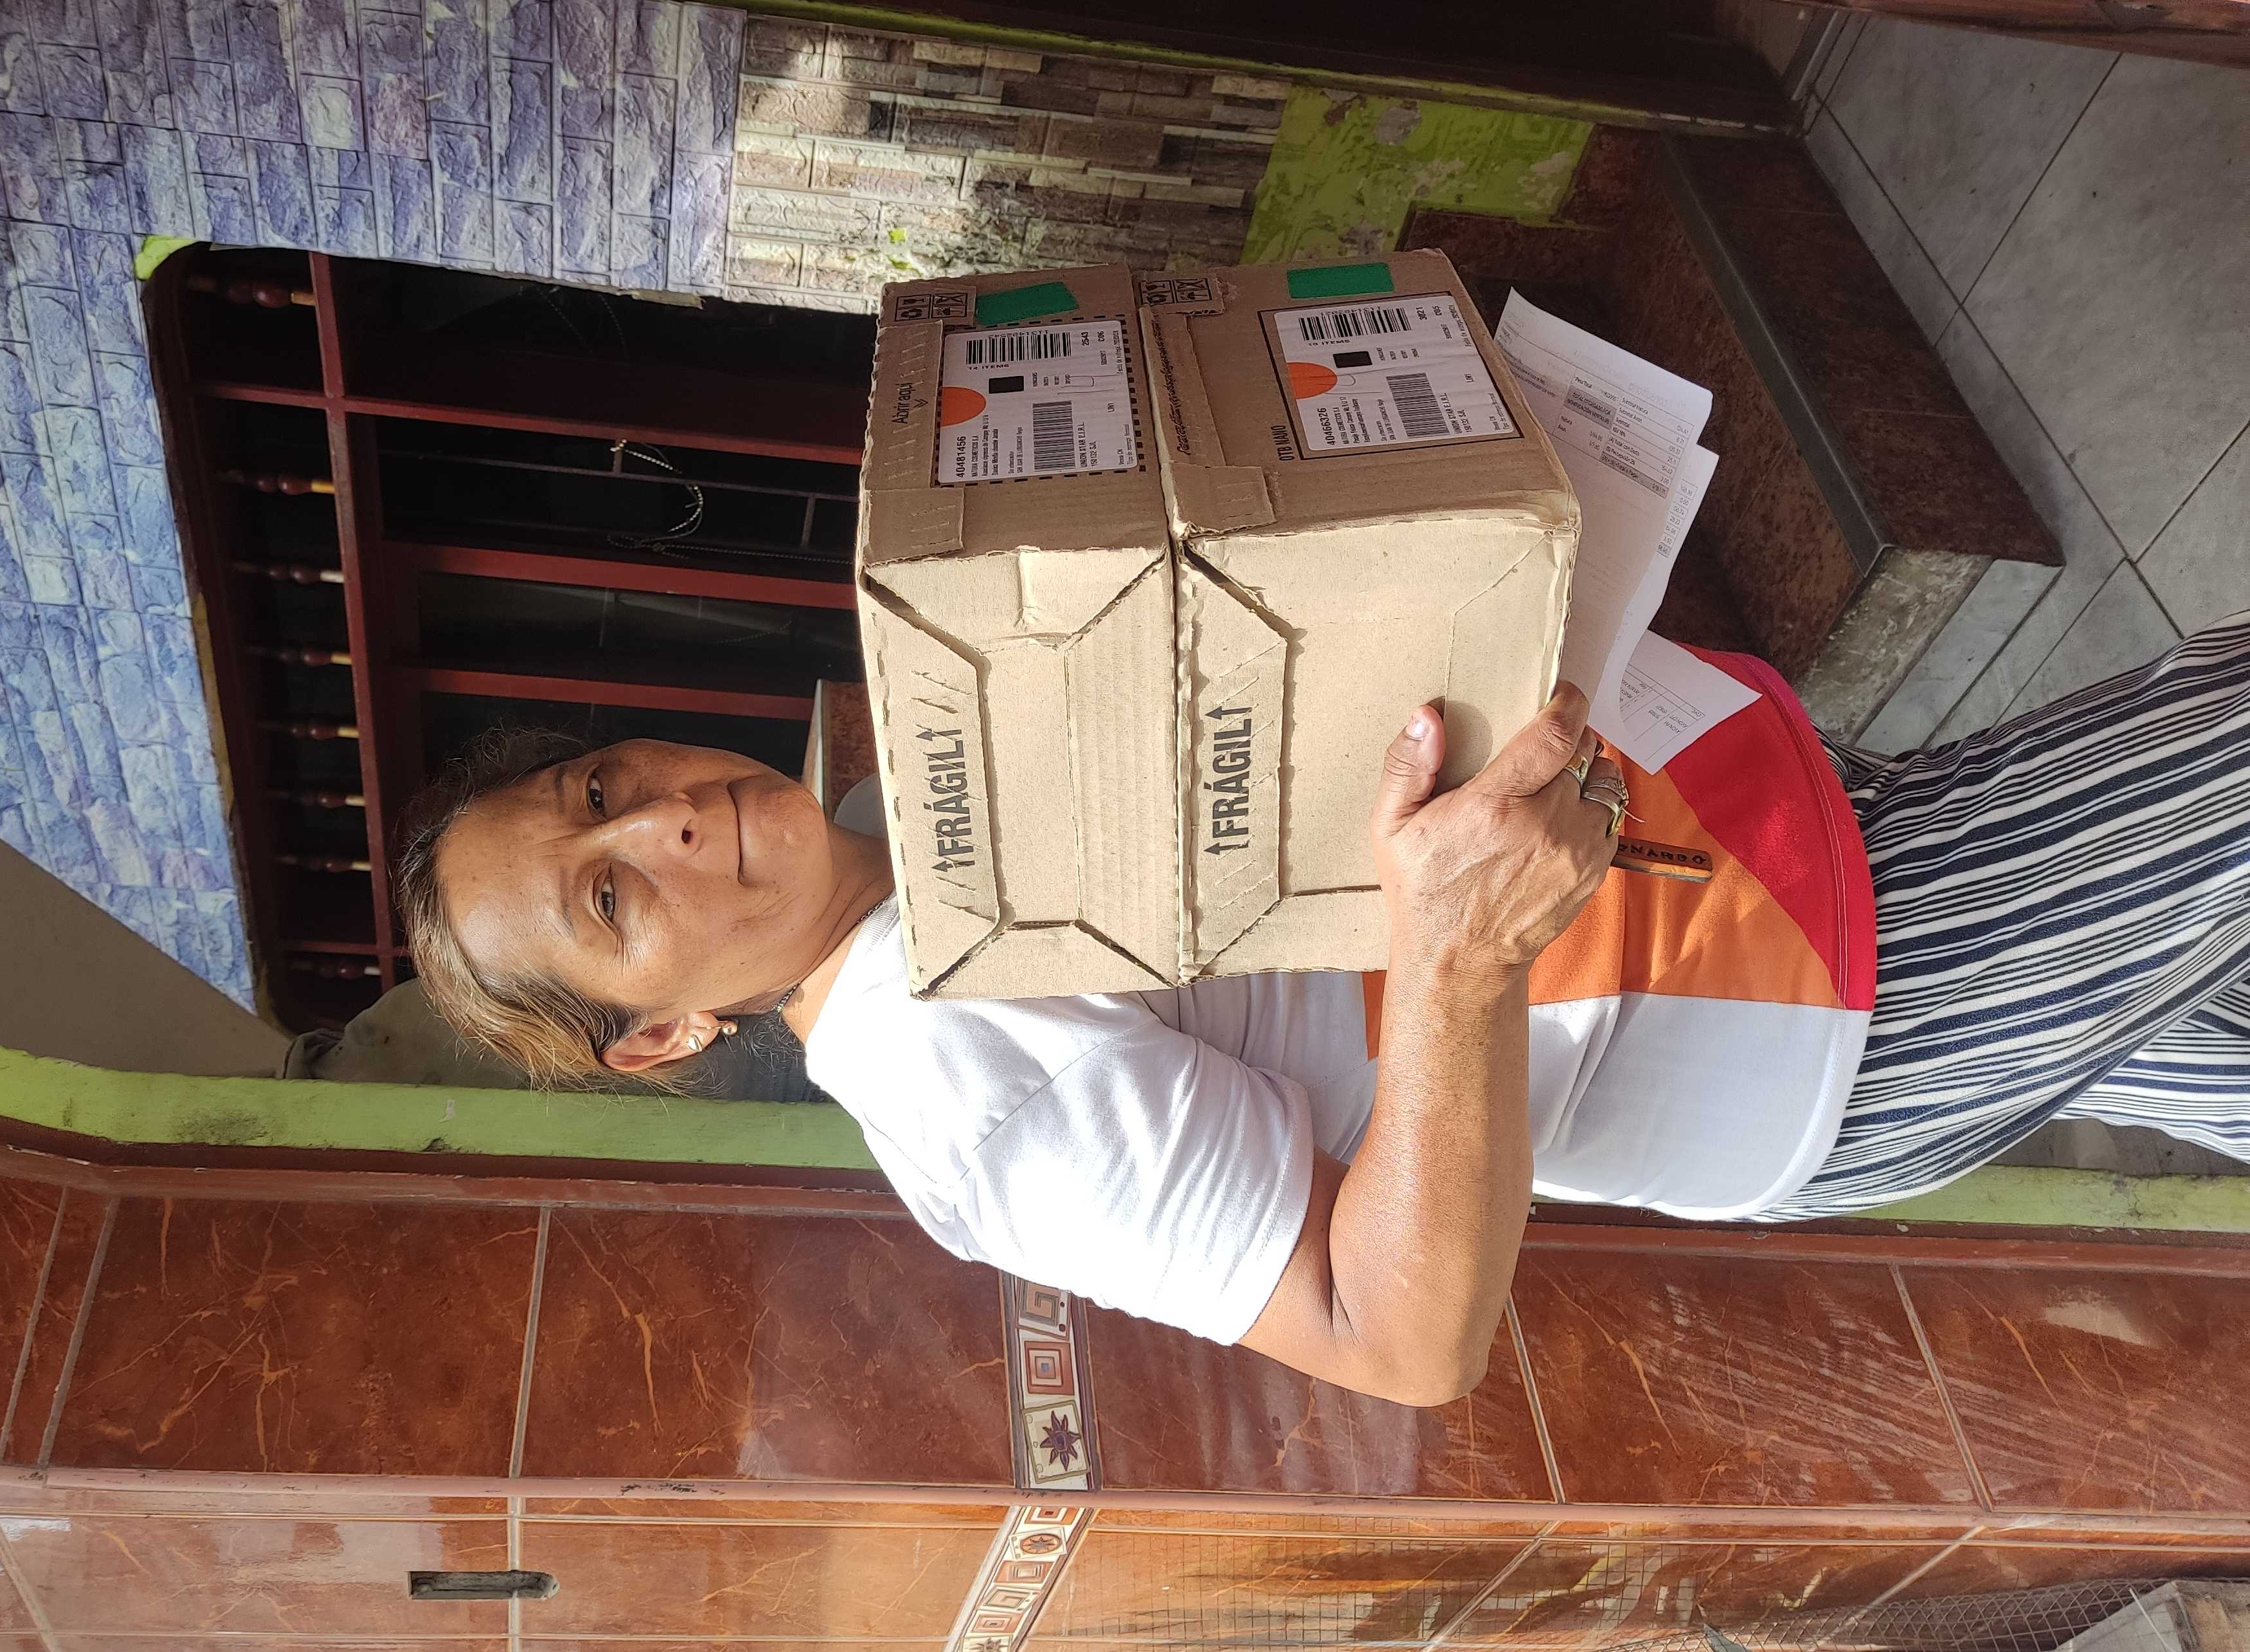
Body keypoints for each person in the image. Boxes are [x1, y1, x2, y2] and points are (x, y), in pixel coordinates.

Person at [394, 616, 2250, 1405]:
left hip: (1783, 849)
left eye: (600, 787)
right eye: (612, 898)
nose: (665, 821)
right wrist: (1458, 962)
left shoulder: (925, 815)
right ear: (660, 1038)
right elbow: (1396, 1335)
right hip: (1818, 994)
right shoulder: (960, 1088)